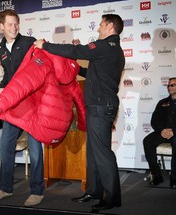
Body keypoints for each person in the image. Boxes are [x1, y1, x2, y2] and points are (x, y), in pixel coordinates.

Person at [34, 14, 125, 211]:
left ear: (110, 26)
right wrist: (73, 67)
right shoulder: (112, 50)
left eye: (101, 25)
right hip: (99, 105)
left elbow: (76, 50)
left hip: (100, 106)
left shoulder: (105, 46)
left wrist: (46, 45)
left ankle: (112, 197)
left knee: (102, 153)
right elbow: (92, 73)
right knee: (93, 153)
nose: (98, 28)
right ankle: (94, 190)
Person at [0, 9, 45, 206]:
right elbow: (9, 74)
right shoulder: (1, 50)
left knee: (35, 149)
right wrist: (3, 84)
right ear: (2, 26)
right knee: (6, 146)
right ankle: (4, 188)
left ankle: (37, 191)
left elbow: (39, 68)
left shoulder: (29, 42)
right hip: (13, 106)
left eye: (16, 23)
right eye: (10, 24)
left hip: (32, 104)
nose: (14, 27)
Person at [143, 77, 176, 188]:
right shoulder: (162, 102)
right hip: (163, 132)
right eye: (168, 85)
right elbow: (154, 120)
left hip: (175, 133)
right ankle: (156, 175)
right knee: (147, 141)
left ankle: (174, 178)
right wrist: (161, 130)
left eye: (172, 85)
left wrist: (174, 132)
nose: (169, 87)